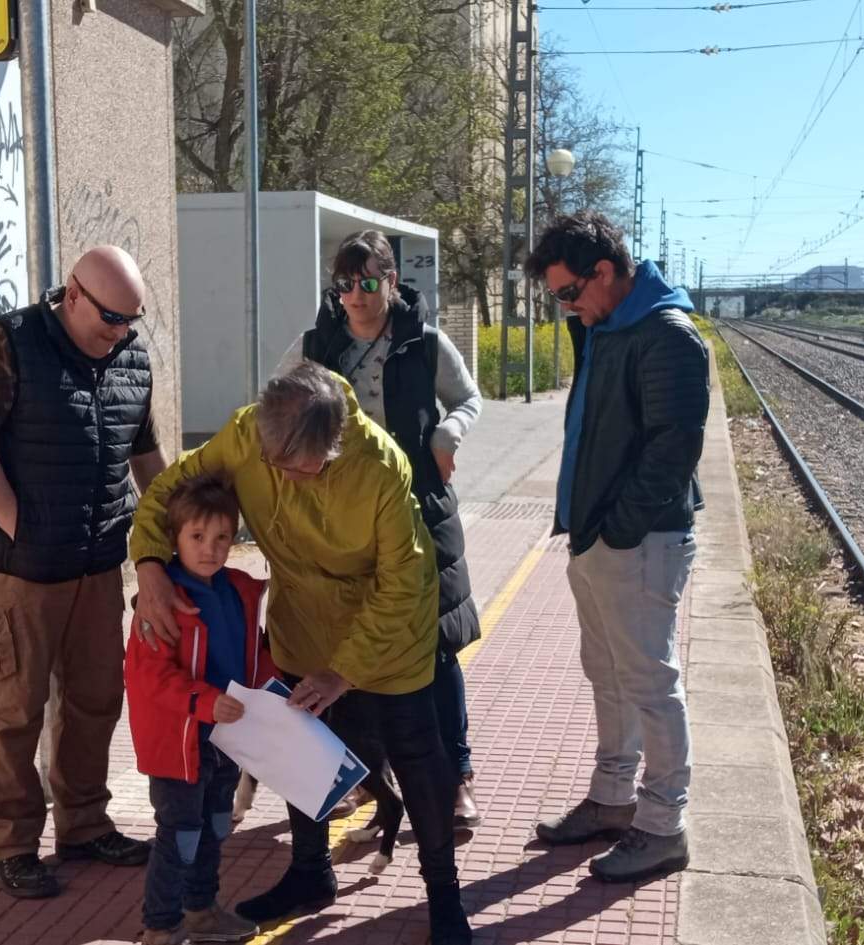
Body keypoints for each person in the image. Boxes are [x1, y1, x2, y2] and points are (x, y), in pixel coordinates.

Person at [129, 364, 471, 945]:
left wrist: (345, 672)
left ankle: (444, 895)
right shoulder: (247, 435)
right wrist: (150, 564)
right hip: (301, 623)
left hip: (389, 636)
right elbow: (168, 492)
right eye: (271, 464)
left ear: (333, 450)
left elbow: (402, 586)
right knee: (300, 750)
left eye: (298, 468)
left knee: (417, 757)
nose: (280, 476)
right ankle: (310, 872)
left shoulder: (383, 468)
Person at [0, 245, 164, 898]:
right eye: (110, 317)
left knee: (96, 701)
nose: (120, 332)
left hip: (98, 570)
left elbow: (143, 452)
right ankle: (12, 844)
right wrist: (18, 526)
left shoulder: (130, 358)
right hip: (23, 576)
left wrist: (173, 526)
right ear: (73, 295)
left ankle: (85, 824)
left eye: (131, 320)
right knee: (17, 709)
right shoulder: (10, 343)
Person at [522, 212, 709, 883]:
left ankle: (662, 825)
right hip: (599, 537)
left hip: (639, 540)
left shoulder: (667, 336)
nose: (567, 307)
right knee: (609, 674)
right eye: (558, 298)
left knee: (650, 683)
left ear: (605, 272)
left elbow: (673, 448)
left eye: (569, 292)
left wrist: (617, 526)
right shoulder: (605, 327)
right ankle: (612, 799)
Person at [277, 230, 485, 826]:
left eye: (369, 283)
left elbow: (468, 399)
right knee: (349, 649)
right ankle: (367, 777)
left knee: (437, 649)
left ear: (393, 281)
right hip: (342, 522)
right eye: (344, 285)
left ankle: (456, 778)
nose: (356, 297)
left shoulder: (425, 344)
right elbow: (272, 406)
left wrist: (449, 434)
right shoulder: (316, 347)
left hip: (421, 511)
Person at [125, 472, 270, 945]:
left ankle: (203, 911)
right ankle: (160, 928)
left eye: (222, 537)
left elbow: (256, 653)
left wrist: (278, 691)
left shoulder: (240, 591)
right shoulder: (162, 598)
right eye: (197, 536)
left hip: (226, 739)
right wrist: (205, 702)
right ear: (174, 538)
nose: (210, 548)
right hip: (180, 744)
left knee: (216, 828)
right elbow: (151, 677)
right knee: (179, 836)